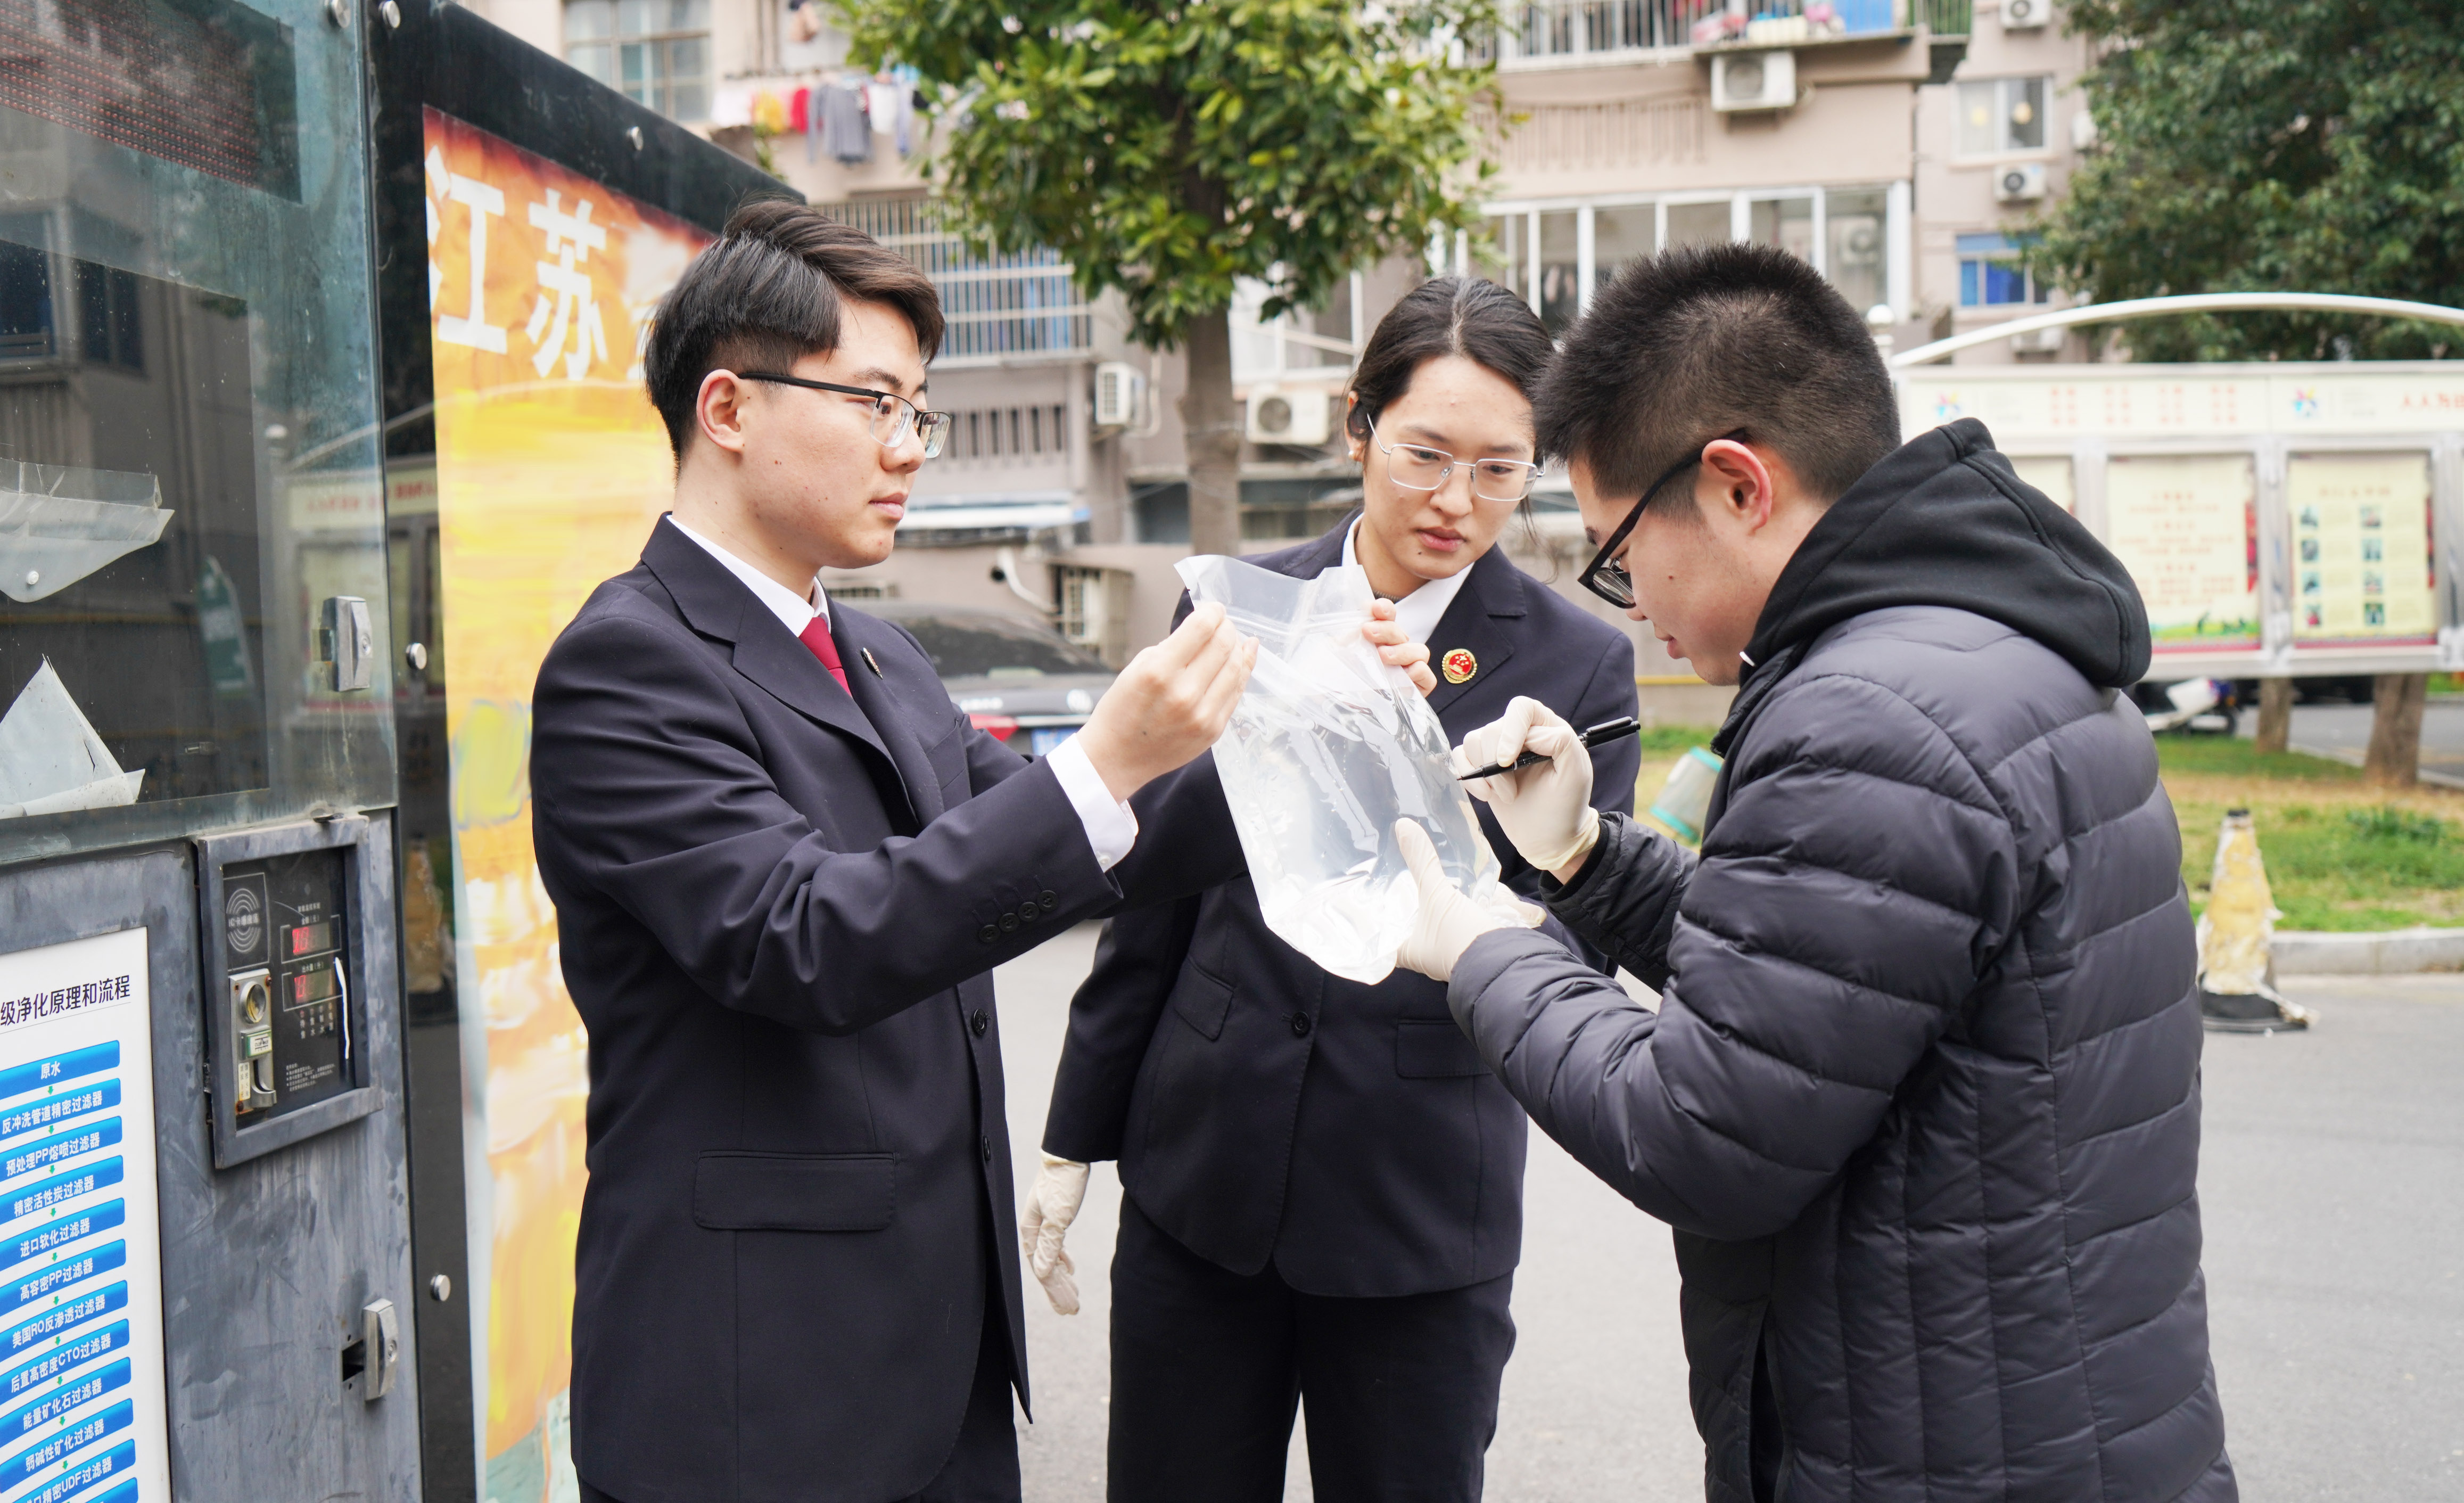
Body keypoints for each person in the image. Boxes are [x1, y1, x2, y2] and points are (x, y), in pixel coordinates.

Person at [1392, 243, 2235, 1503]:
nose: (1627, 603)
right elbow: (1823, 992)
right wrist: (1583, 855)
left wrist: (1488, 950)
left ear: (1733, 484)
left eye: (1621, 552)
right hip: (2049, 1412)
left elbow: (1703, 1128)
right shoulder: (1979, 647)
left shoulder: (1866, 713)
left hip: (1944, 1449)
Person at [530, 201, 1300, 1503]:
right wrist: (1106, 755)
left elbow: (1104, 842)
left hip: (937, 1363)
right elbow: (805, 936)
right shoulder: (626, 663)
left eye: (920, 410)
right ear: (727, 409)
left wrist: (1315, 733)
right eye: (876, 402)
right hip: (753, 1398)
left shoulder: (879, 655)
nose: (909, 448)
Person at [1023, 276, 1643, 1503]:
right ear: (1357, 426)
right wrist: (1071, 1136)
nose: (1453, 503)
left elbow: (1572, 961)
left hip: (1418, 1212)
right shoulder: (1237, 605)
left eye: (1498, 471)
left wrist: (1408, 745)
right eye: (1423, 454)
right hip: (1199, 1181)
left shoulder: (1578, 663)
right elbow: (1153, 895)